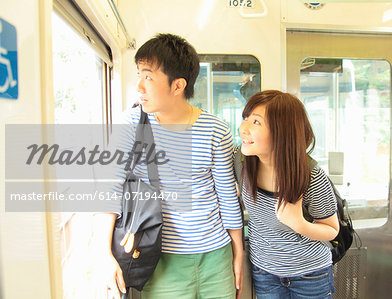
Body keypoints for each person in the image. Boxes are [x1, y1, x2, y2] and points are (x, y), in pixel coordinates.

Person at [93, 33, 243, 299]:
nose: (139, 86)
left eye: (148, 77)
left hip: (216, 256)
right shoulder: (131, 125)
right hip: (161, 259)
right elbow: (109, 189)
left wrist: (238, 253)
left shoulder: (216, 130)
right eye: (139, 74)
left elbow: (227, 196)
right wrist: (102, 253)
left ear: (178, 86)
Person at [237, 90, 339, 298]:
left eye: (256, 122)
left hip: (310, 275)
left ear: (281, 132)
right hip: (264, 273)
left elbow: (331, 229)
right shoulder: (241, 163)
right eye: (245, 119)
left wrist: (298, 223)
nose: (244, 128)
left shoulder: (310, 176)